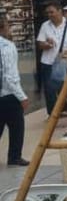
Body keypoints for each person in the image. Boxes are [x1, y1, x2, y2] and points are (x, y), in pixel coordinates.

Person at [36, 1, 67, 116]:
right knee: (50, 89)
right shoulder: (45, 26)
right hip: (49, 61)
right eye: (48, 13)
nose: (49, 15)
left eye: (52, 12)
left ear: (60, 11)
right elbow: (40, 44)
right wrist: (46, 44)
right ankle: (53, 113)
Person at [0, 16, 29, 166]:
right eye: (7, 25)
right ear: (3, 28)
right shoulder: (7, 46)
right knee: (17, 126)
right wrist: (22, 96)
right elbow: (9, 76)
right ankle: (14, 157)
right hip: (8, 94)